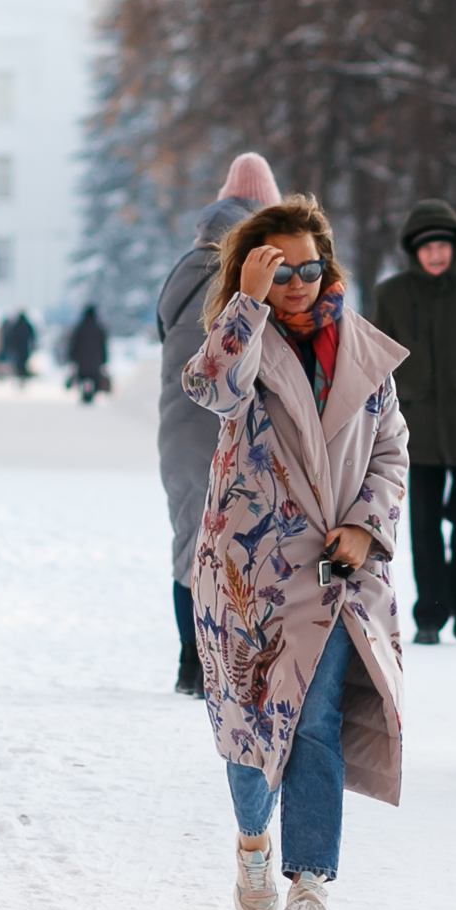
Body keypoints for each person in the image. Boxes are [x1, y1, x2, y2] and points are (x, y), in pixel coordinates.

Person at [182, 194, 410, 910]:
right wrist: (244, 304)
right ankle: (254, 840)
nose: (300, 282)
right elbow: (210, 387)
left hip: (334, 570)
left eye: (310, 267)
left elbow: (391, 449)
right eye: (280, 269)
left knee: (314, 725)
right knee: (251, 730)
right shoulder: (238, 341)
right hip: (251, 574)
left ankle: (310, 880)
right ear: (254, 269)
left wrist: (364, 526)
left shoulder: (365, 352)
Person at [156, 154, 276, 695]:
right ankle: (236, 663)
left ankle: (190, 663)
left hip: (179, 427)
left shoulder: (183, 268)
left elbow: (163, 329)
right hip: (240, 426)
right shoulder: (259, 272)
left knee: (189, 542)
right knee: (248, 549)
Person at [369, 199, 456, 645]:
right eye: (426, 247)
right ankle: (429, 616)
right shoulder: (391, 295)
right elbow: (375, 362)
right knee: (424, 530)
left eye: (442, 245)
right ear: (414, 250)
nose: (435, 254)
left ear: (455, 246)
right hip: (416, 434)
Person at [68, 305, 110, 404]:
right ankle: (92, 393)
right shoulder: (99, 328)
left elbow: (73, 344)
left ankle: (84, 393)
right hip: (95, 361)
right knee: (94, 377)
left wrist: (72, 357)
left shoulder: (79, 328)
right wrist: (104, 359)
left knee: (81, 376)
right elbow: (103, 345)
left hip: (81, 360)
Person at [2, 311, 36, 387]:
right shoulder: (27, 325)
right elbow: (32, 336)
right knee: (23, 364)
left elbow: (12, 337)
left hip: (17, 349)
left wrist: (11, 347)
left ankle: (20, 378)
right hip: (25, 348)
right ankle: (23, 378)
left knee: (18, 364)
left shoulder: (16, 325)